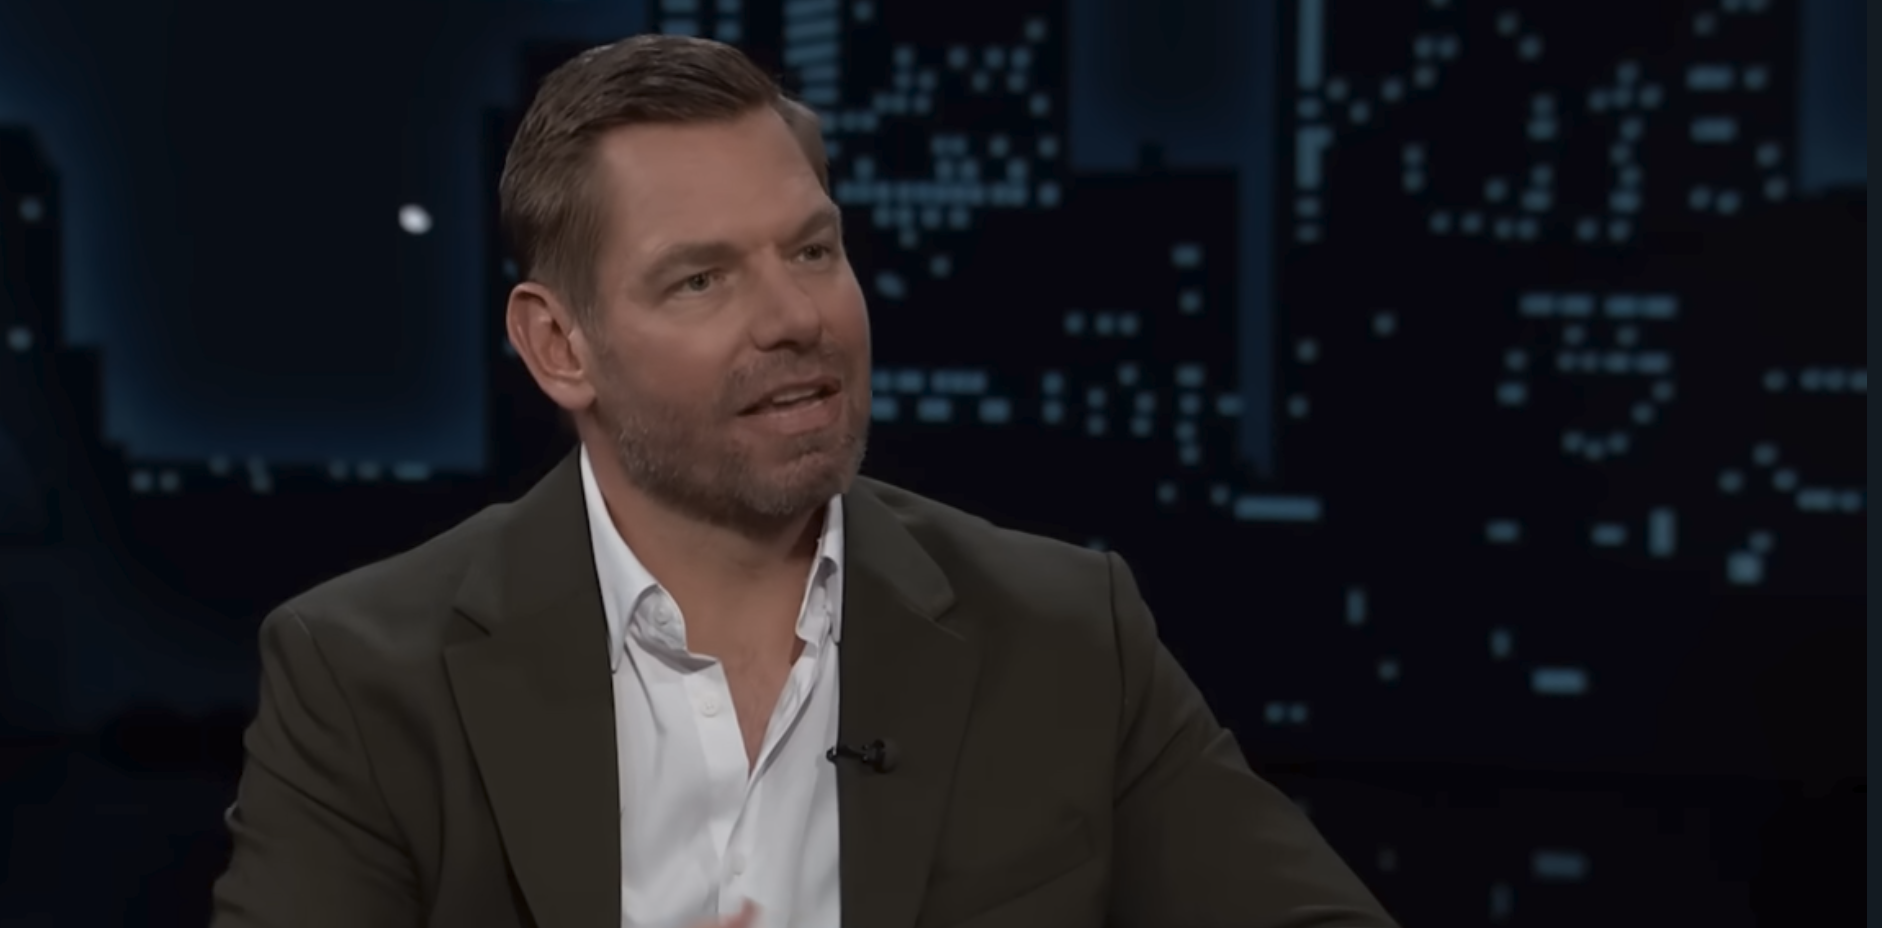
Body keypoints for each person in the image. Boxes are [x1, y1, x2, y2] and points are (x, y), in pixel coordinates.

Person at [209, 33, 1396, 928]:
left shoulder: (1068, 635)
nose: (795, 316)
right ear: (559, 346)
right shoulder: (364, 678)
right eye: (700, 279)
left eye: (813, 250)